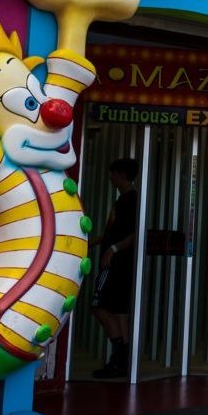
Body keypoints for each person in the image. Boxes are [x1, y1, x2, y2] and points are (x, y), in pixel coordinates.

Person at [90, 158, 139, 377]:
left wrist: (113, 250)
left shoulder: (129, 201)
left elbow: (133, 234)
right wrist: (95, 241)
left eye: (112, 173)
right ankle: (121, 358)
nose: (110, 178)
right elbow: (113, 232)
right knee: (119, 310)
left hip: (116, 263)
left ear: (120, 174)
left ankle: (120, 354)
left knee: (98, 306)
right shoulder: (124, 200)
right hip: (120, 262)